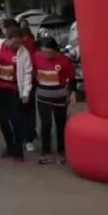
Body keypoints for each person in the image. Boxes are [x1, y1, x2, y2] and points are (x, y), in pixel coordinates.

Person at [0, 24, 33, 160]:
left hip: (14, 90)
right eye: (15, 42)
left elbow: (27, 73)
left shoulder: (23, 53)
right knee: (2, 119)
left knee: (16, 120)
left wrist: (26, 92)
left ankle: (18, 150)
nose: (17, 45)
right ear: (7, 38)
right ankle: (10, 146)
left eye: (19, 42)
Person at [32, 37, 77, 165]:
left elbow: (72, 77)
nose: (46, 55)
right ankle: (45, 152)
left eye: (49, 53)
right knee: (46, 124)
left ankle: (61, 152)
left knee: (60, 124)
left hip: (60, 96)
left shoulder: (64, 60)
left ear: (55, 50)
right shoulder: (36, 57)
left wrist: (72, 93)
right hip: (43, 95)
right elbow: (32, 72)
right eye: (44, 52)